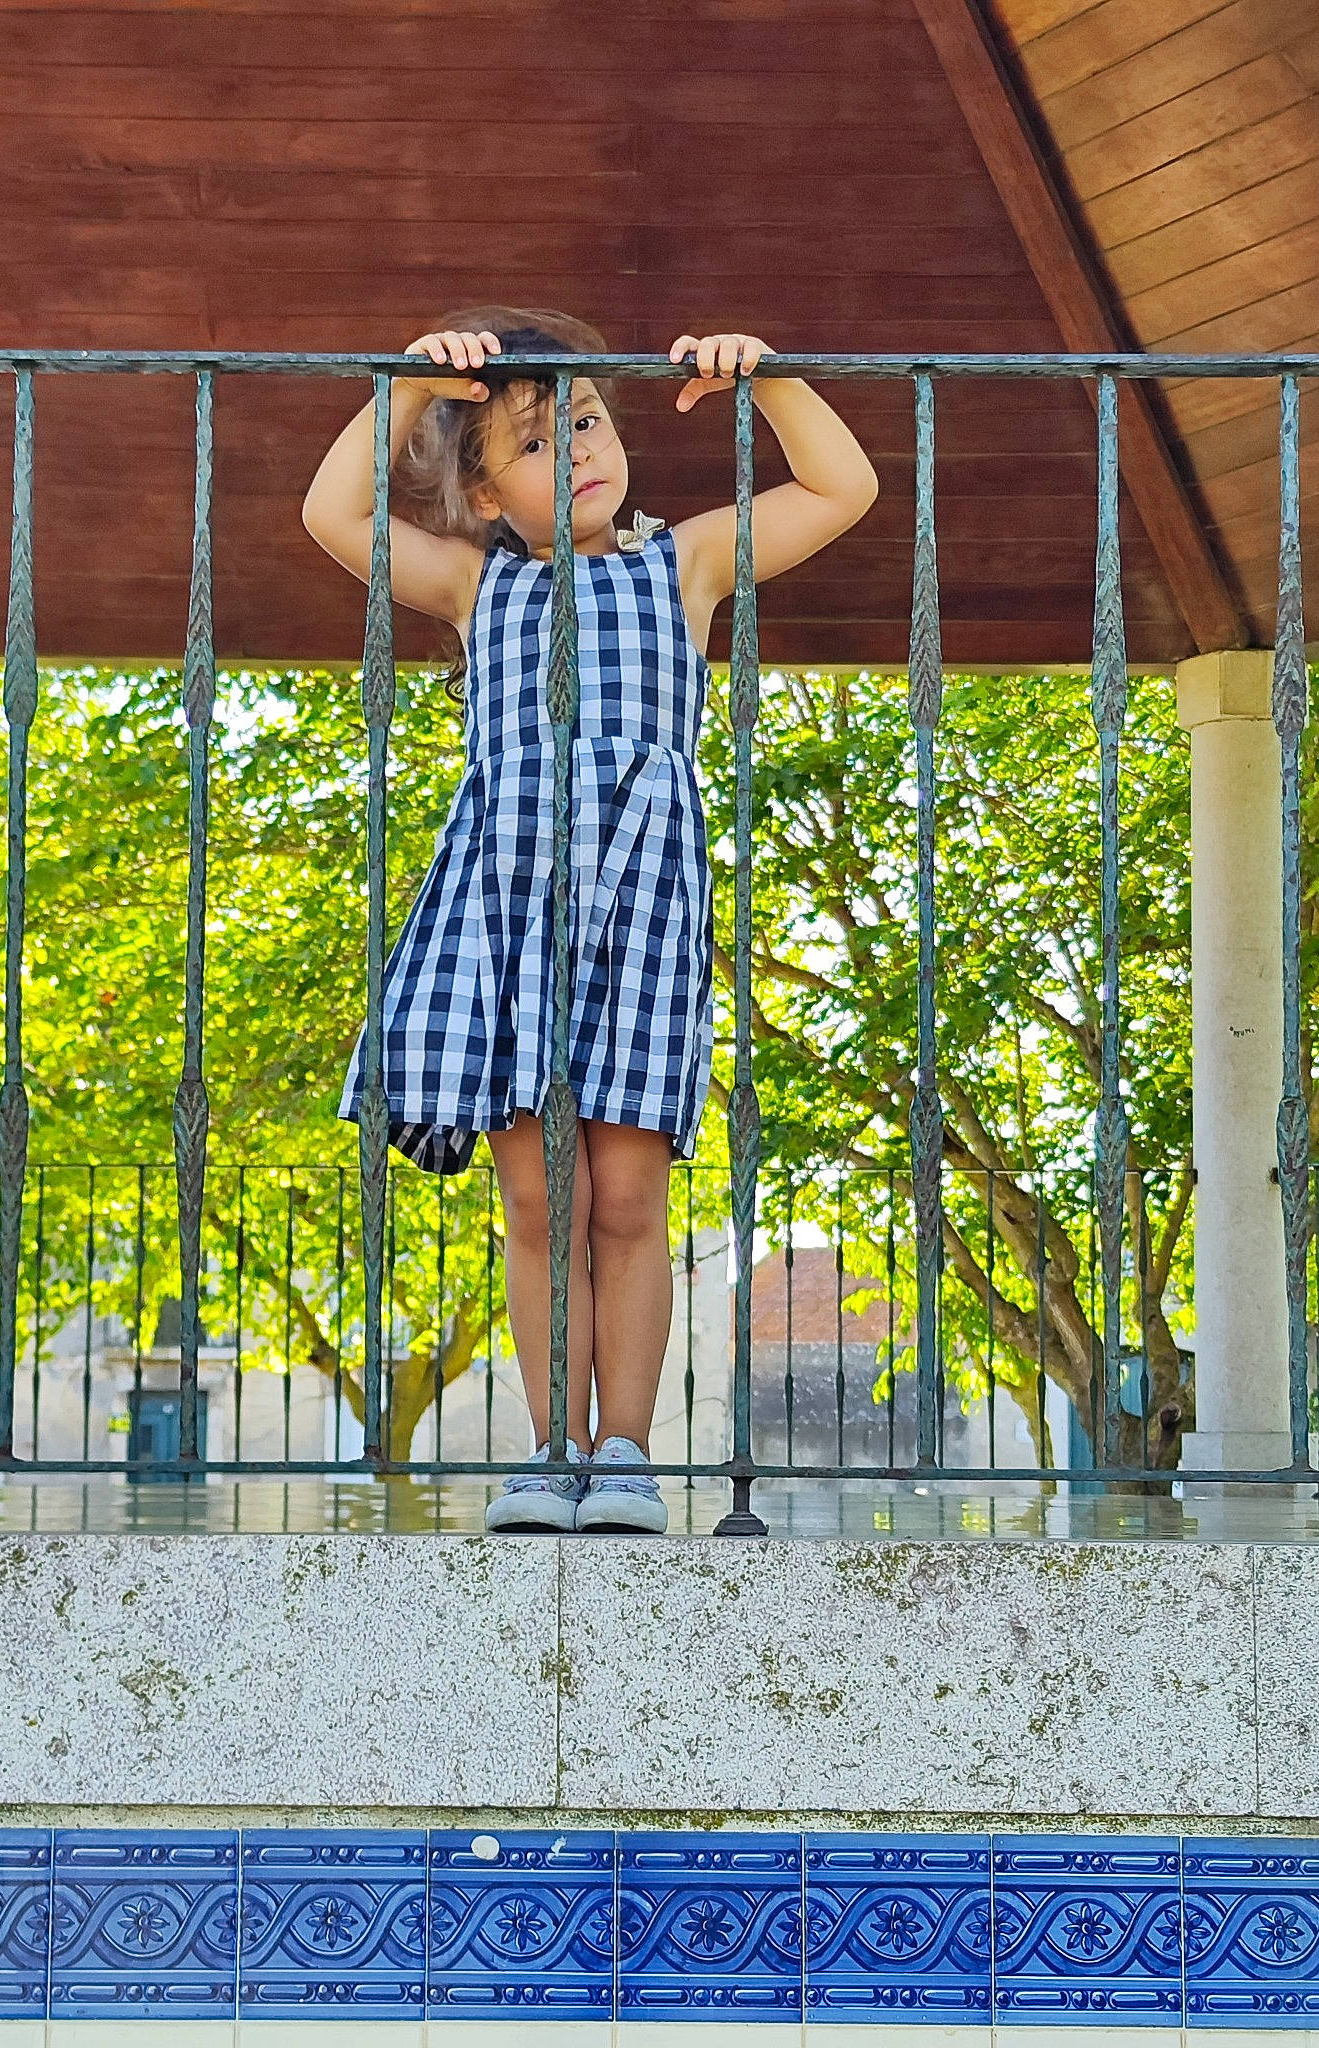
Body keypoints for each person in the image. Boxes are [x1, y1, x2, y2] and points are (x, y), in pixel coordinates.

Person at [302, 304, 878, 1535]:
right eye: (533, 443)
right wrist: (411, 386)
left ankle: (625, 1451)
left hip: (645, 901)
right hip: (509, 910)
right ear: (485, 494)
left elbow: (844, 487)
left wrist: (764, 381)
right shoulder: (477, 583)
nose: (576, 452)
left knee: (625, 1196)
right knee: (539, 1201)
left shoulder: (685, 562)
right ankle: (551, 1447)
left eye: (587, 421)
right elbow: (332, 516)